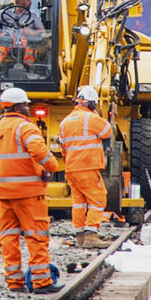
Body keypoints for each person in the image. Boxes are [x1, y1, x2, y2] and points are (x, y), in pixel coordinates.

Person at [0, 87, 64, 294]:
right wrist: (50, 168)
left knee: (8, 238)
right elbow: (41, 153)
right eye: (26, 104)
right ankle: (42, 282)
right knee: (36, 236)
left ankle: (14, 283)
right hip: (29, 194)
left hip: (5, 194)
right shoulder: (26, 128)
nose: (29, 107)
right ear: (17, 107)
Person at [58, 85, 113, 249]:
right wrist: (97, 115)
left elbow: (63, 146)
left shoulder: (65, 122)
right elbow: (107, 132)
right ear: (91, 104)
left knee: (79, 202)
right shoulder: (90, 118)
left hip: (71, 168)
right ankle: (91, 235)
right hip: (87, 166)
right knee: (98, 199)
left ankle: (80, 236)